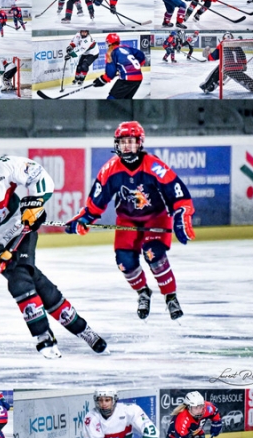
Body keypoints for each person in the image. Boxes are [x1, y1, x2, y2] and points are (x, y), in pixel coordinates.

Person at [0, 139, 107, 358]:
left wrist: (35, 202)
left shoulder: (3, 166)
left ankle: (43, 337)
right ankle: (83, 329)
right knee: (34, 279)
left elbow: (38, 175)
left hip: (19, 227)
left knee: (19, 279)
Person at [66, 121, 194, 319]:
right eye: (122, 142)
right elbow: (97, 200)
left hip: (156, 218)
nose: (126, 146)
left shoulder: (154, 166)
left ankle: (170, 297)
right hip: (127, 220)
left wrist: (182, 213)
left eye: (130, 142)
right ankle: (143, 292)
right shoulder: (110, 169)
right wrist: (85, 217)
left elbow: (176, 191)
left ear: (139, 143)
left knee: (153, 253)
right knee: (124, 261)